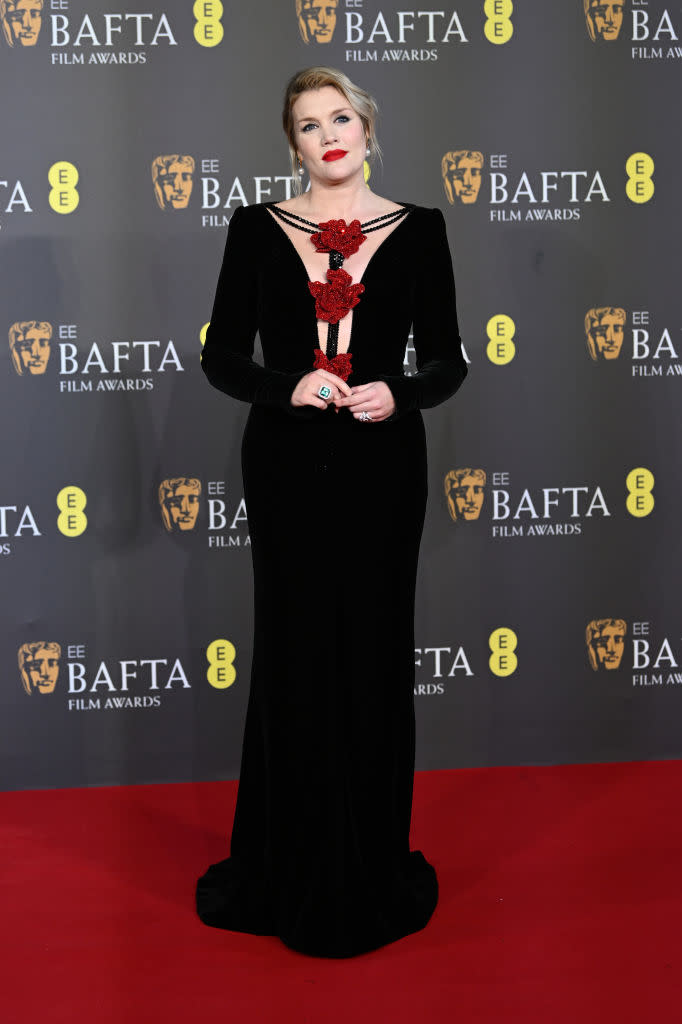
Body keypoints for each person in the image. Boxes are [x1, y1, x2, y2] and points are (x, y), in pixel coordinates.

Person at [196, 66, 467, 958]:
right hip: (285, 468)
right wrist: (287, 386)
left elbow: (449, 362)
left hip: (385, 468)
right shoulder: (254, 228)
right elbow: (224, 358)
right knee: (295, 650)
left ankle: (369, 861)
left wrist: (403, 391)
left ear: (368, 127)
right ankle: (287, 861)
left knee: (376, 649)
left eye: (340, 117)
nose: (329, 136)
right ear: (293, 144)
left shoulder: (421, 230)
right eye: (309, 125)